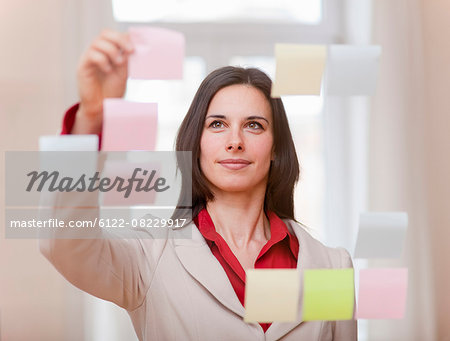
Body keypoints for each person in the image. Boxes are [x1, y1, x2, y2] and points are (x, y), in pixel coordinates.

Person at [41, 29, 357, 340]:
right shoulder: (148, 257)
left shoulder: (332, 267)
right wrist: (91, 118)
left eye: (254, 125)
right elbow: (64, 243)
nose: (235, 141)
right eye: (217, 124)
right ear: (197, 143)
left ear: (276, 147)